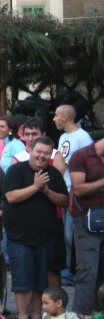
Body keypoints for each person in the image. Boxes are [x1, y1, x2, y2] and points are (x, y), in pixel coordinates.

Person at [4, 137, 68, 319]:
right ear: (30, 150)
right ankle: (23, 316)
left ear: (50, 155)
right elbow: (11, 197)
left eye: (46, 154)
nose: (41, 156)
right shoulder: (16, 170)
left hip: (45, 237)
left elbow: (65, 200)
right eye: (38, 152)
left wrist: (47, 191)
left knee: (41, 280)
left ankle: (37, 316)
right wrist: (35, 187)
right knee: (23, 279)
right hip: (19, 236)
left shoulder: (54, 174)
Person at [55, 104, 92, 286]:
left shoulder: (83, 138)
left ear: (65, 117)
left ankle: (77, 270)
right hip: (63, 190)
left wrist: (73, 191)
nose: (53, 119)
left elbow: (87, 165)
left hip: (75, 193)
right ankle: (68, 272)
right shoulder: (63, 137)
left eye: (56, 115)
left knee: (73, 234)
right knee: (66, 234)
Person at [69, 134, 104, 319]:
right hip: (86, 219)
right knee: (87, 270)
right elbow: (79, 189)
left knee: (102, 270)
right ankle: (79, 317)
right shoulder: (82, 156)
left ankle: (98, 315)